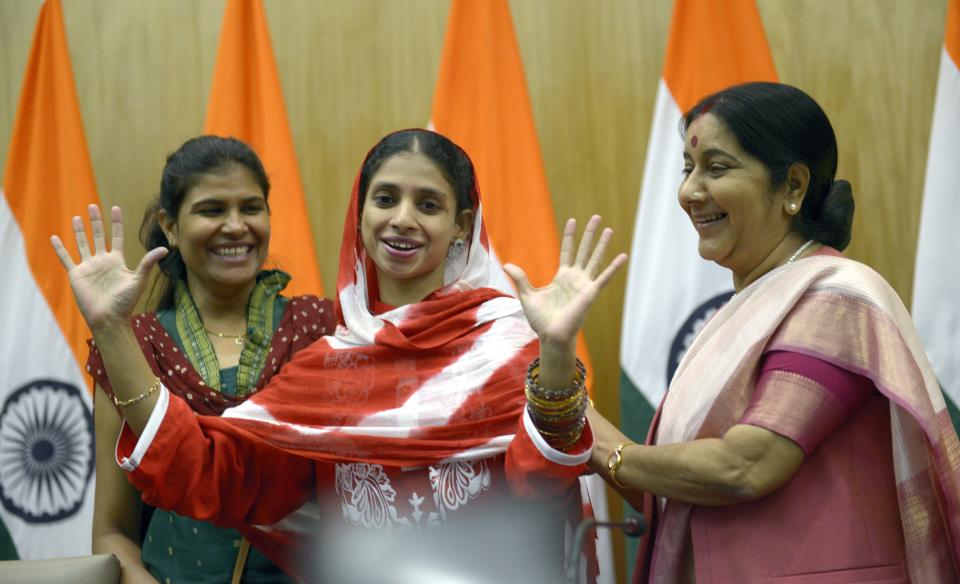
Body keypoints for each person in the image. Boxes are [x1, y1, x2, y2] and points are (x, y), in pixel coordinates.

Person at [54, 129, 626, 582]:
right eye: (386, 198)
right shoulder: (328, 363)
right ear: (361, 211)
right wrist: (111, 329)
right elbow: (212, 475)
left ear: (462, 225)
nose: (402, 218)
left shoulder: (501, 342)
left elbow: (541, 483)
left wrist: (554, 351)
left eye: (428, 203)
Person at [582, 82, 960, 583]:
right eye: (688, 169)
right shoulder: (743, 311)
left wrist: (600, 443)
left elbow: (747, 465)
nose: (689, 192)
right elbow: (675, 492)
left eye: (716, 168)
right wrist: (562, 375)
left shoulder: (837, 298)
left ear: (794, 187)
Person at [85, 136, 335, 584]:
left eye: (251, 208)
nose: (236, 226)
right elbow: (112, 532)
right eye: (212, 210)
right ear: (172, 226)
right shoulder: (132, 346)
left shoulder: (321, 330)